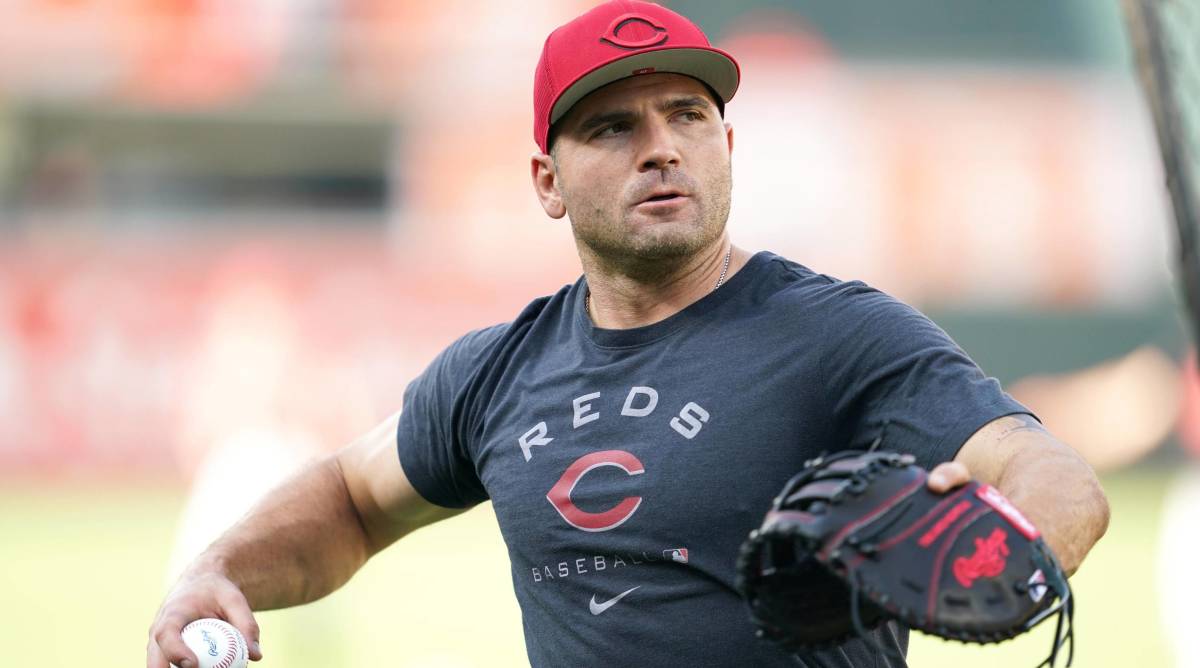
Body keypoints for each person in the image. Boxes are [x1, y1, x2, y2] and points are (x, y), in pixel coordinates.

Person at [146, 2, 1110, 667]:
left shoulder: (838, 336)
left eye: (688, 114)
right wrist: (214, 572)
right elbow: (353, 498)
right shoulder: (497, 372)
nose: (660, 145)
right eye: (611, 127)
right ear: (546, 182)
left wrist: (1007, 542)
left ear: (726, 149)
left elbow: (1053, 475)